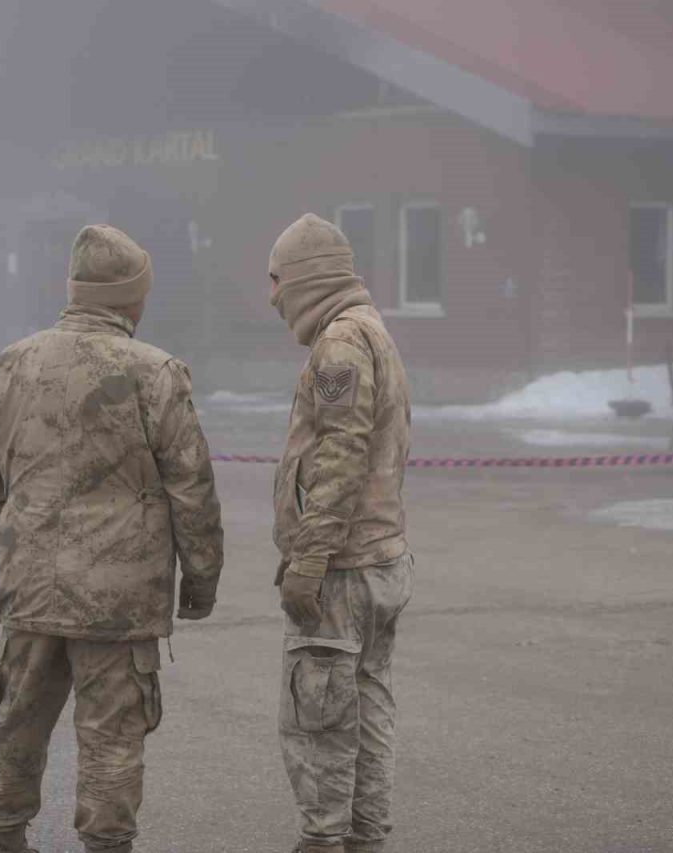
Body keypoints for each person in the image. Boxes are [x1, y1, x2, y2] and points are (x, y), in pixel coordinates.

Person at [0, 224, 224, 853]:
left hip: (31, 590)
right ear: (131, 297)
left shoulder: (13, 362)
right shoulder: (155, 372)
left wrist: (7, 549)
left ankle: (2, 837)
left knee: (19, 725)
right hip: (119, 602)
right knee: (111, 740)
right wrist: (201, 578)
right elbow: (192, 487)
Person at [268, 213, 414, 853]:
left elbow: (341, 457)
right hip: (378, 560)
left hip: (344, 570)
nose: (272, 295)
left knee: (320, 716)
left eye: (277, 279)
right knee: (365, 704)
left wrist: (308, 560)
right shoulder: (370, 331)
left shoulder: (341, 344)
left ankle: (325, 842)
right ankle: (362, 837)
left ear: (306, 279)